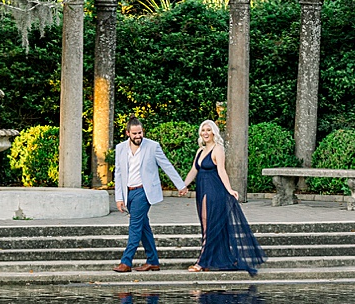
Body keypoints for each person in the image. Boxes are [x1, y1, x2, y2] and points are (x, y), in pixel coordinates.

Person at [185, 119, 266, 274]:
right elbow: (193, 170)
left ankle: (202, 261)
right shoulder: (200, 151)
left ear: (214, 132)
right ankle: (211, 259)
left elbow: (222, 170)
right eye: (203, 130)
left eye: (208, 130)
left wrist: (229, 189)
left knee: (211, 226)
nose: (205, 133)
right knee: (205, 225)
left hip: (215, 191)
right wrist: (183, 185)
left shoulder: (218, 149)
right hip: (202, 190)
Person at [112, 117, 188, 272]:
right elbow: (118, 174)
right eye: (134, 133)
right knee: (143, 227)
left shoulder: (153, 146)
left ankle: (126, 262)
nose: (138, 136)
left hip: (144, 192)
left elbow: (166, 165)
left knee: (135, 226)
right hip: (129, 192)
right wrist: (119, 198)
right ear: (128, 133)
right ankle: (153, 260)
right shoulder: (120, 148)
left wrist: (181, 185)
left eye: (140, 132)